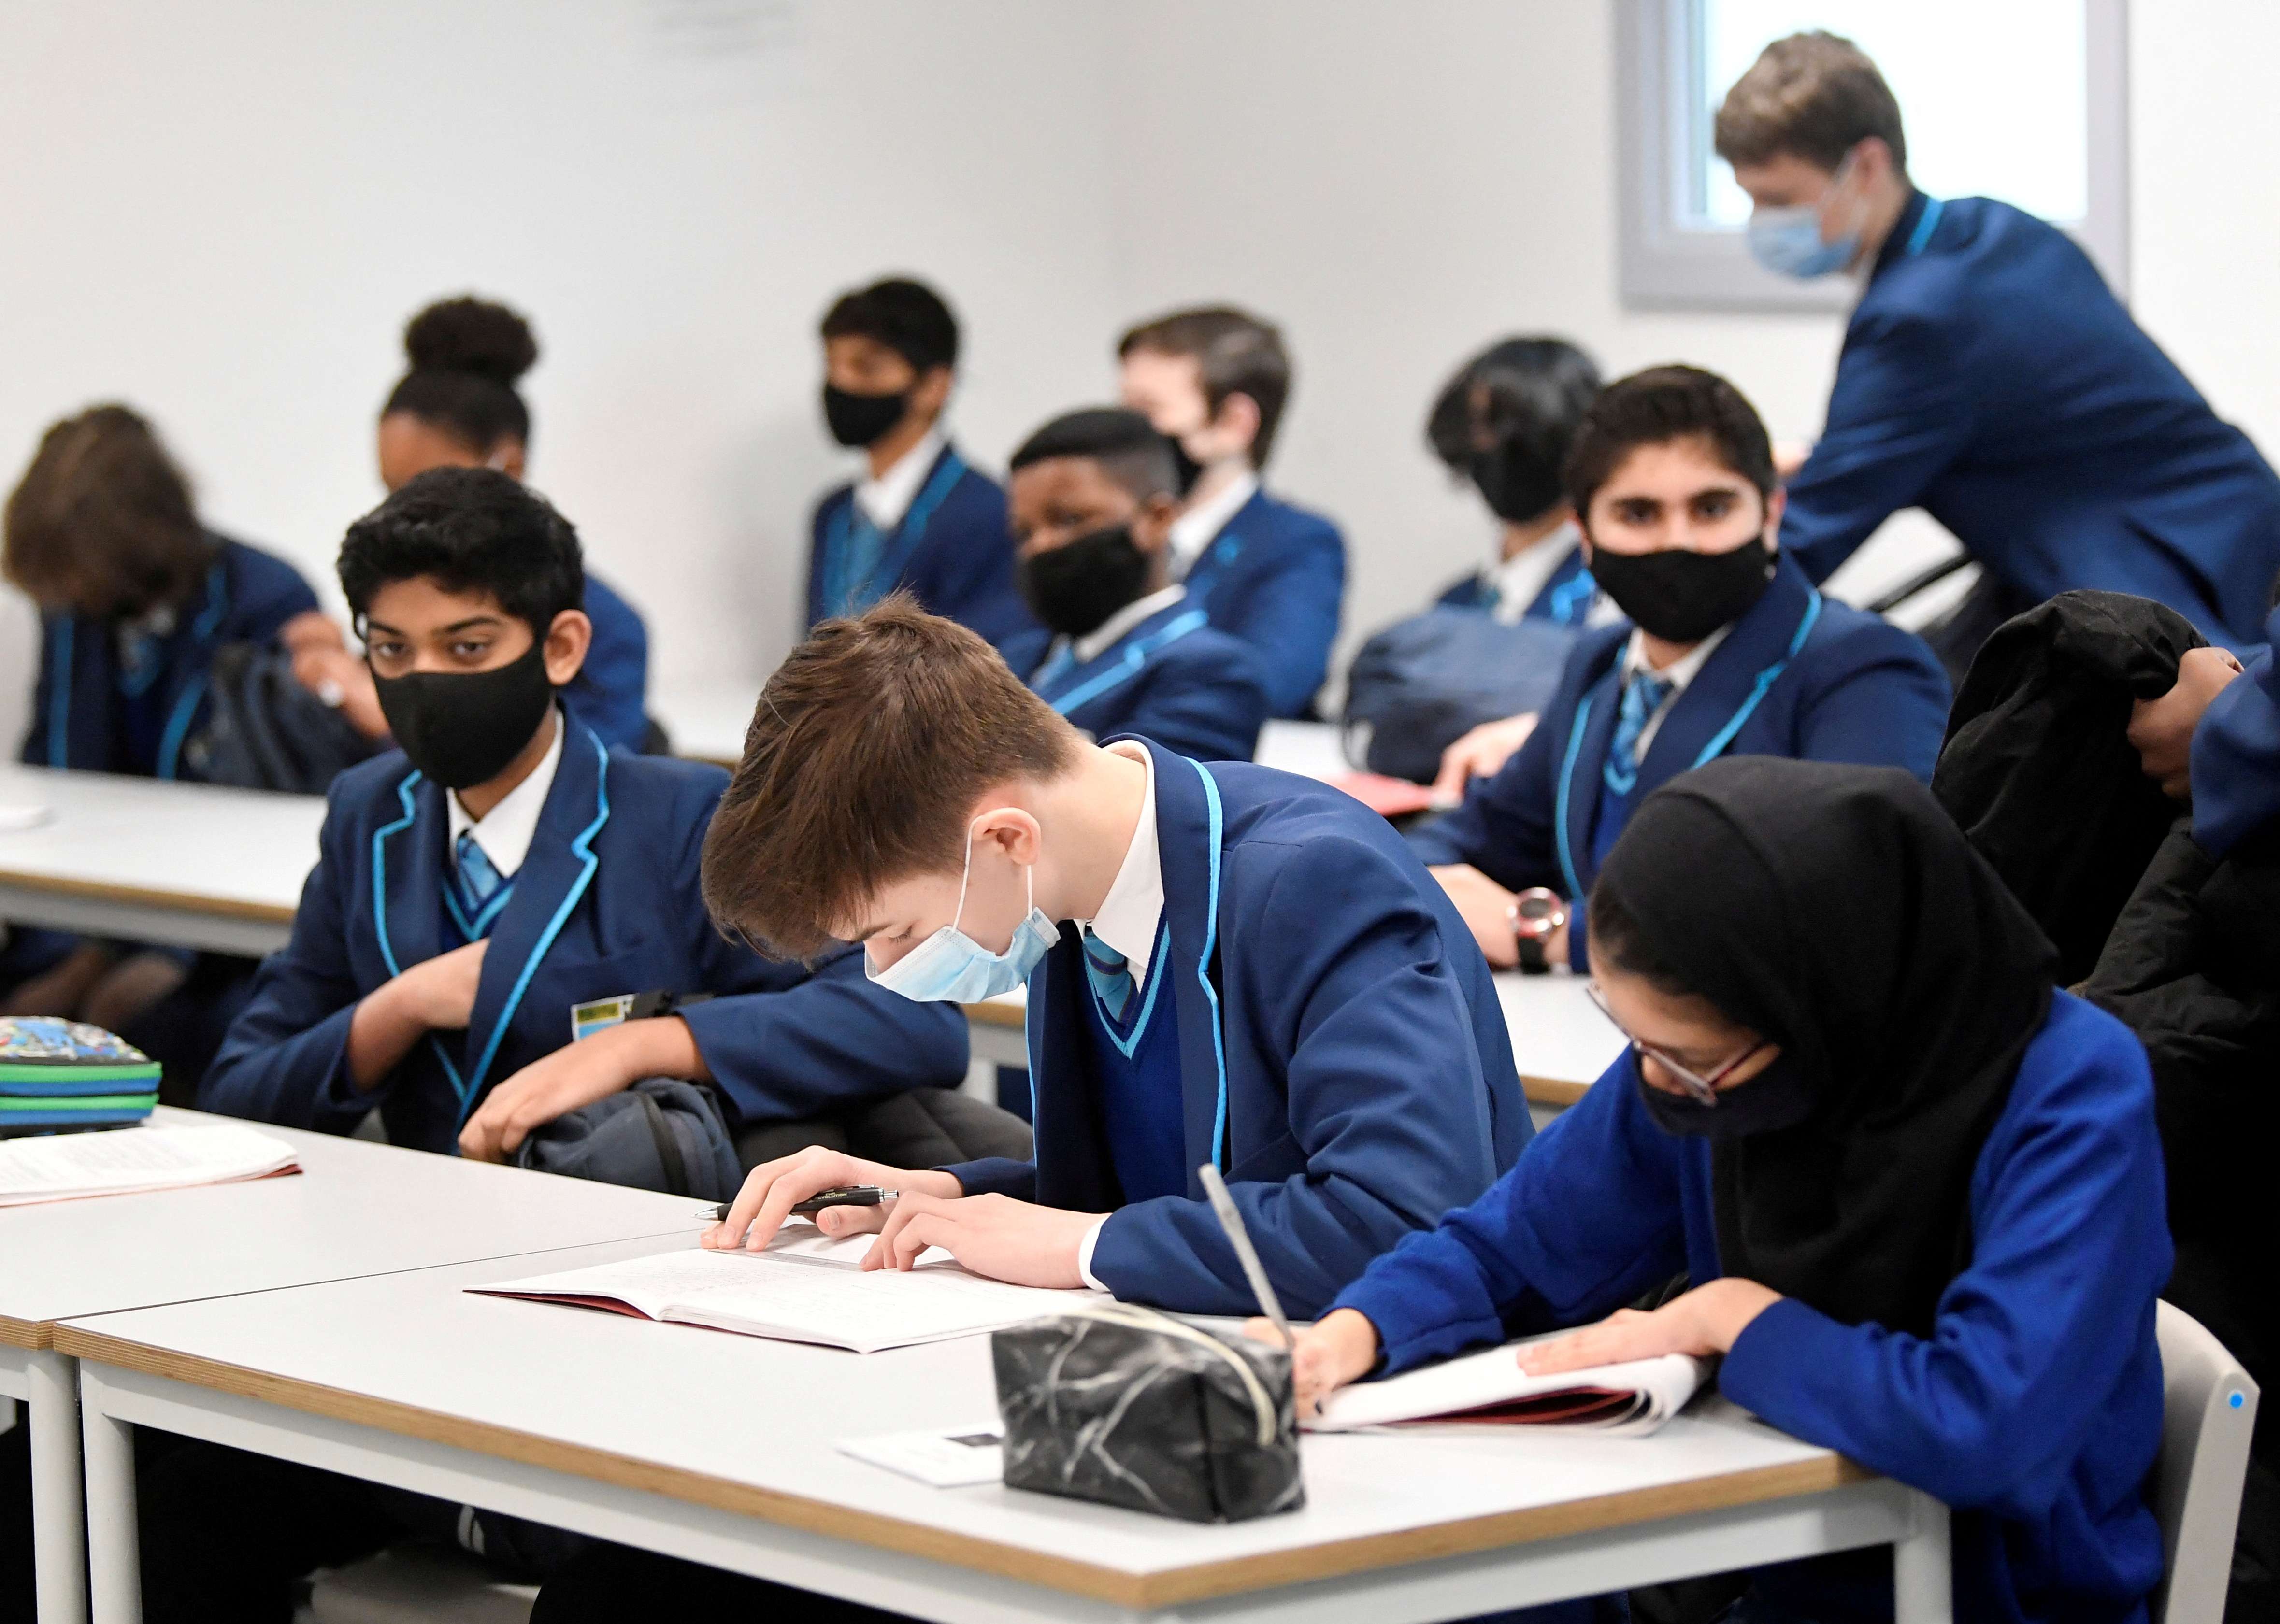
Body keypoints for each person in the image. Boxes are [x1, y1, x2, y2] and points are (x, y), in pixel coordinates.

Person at [531, 594, 1533, 1619]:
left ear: (1002, 836)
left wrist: (1074, 1244)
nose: (882, 972)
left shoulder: (1315, 880)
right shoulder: (1070, 899)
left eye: (889, 929)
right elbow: (1158, 1191)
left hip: (1354, 1456)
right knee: (618, 1584)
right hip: (1170, 1413)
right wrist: (936, 1197)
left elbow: (1407, 1220)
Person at [1277, 758, 2171, 1624]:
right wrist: (1357, 1330)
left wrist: (1733, 1319)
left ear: (1817, 1005)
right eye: (1635, 1044)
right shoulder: (1703, 1061)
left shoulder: (2069, 1092)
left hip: (1980, 1584)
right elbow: (1510, 1245)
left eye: (1690, 1063)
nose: (1657, 1083)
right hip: (1730, 1553)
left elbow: (1983, 1428)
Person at [200, 468, 983, 1163]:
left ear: (562, 647)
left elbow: (911, 1017)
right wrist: (396, 1008)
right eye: (392, 651)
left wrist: (648, 1045)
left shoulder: (679, 819)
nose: (424, 680)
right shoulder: (370, 817)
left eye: (467, 648)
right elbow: (241, 1091)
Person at [1719, 31, 2280, 665]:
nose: (1759, 225)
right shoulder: (1992, 230)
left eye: (1777, 201)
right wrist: (1818, 457)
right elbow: (1984, 420)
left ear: (1867, 166)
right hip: (2236, 521)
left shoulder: (1914, 322)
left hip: (2161, 580)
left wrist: (1678, 591)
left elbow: (1810, 532)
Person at [1411, 365, 1949, 973]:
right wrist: (1417, 877)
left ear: (1771, 515)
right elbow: (1486, 832)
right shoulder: (1600, 666)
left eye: (1712, 508)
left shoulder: (1863, 671)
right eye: (1638, 514)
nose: (1680, 540)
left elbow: (1854, 901)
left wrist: (1555, 934)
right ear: (1584, 535)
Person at [1, 405, 319, 1056]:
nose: (66, 591)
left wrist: (164, 953)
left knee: (163, 1026)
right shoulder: (77, 612)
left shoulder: (267, 599)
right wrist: (83, 956)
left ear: (132, 542)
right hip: (84, 902)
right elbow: (53, 761)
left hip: (218, 936)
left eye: (77, 573)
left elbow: (275, 812)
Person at [286, 296, 660, 753]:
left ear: (510, 466)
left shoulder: (605, 626)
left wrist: (387, 719)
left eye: (431, 487)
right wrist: (329, 674)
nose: (407, 512)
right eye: (392, 491)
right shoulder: (392, 601)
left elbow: (590, 783)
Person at [1000, 407, 1268, 763]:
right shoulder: (1013, 660)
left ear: (1157, 519)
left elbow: (1146, 807)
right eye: (1025, 532)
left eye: (1067, 519)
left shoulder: (1211, 673)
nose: (1041, 546)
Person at [1118, 306, 1346, 717]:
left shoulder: (1297, 543)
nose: (1123, 431)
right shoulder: (1113, 535)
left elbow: (1270, 683)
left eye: (1149, 411)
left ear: (1233, 423)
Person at [1416, 336, 1607, 797]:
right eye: (1478, 432)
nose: (1491, 448)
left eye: (1508, 432)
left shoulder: (1611, 600)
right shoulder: (1454, 604)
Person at [804, 276, 1034, 649]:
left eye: (866, 368)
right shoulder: (832, 514)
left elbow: (992, 664)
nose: (839, 382)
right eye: (832, 364)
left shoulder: (989, 514)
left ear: (933, 386)